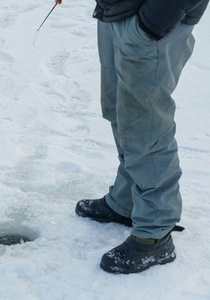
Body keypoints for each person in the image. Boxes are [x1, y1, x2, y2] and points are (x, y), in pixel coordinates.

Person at [54, 0, 209, 274]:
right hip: (117, 10)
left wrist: (151, 24)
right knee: (120, 112)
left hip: (155, 18)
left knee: (145, 126)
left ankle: (154, 232)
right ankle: (127, 201)